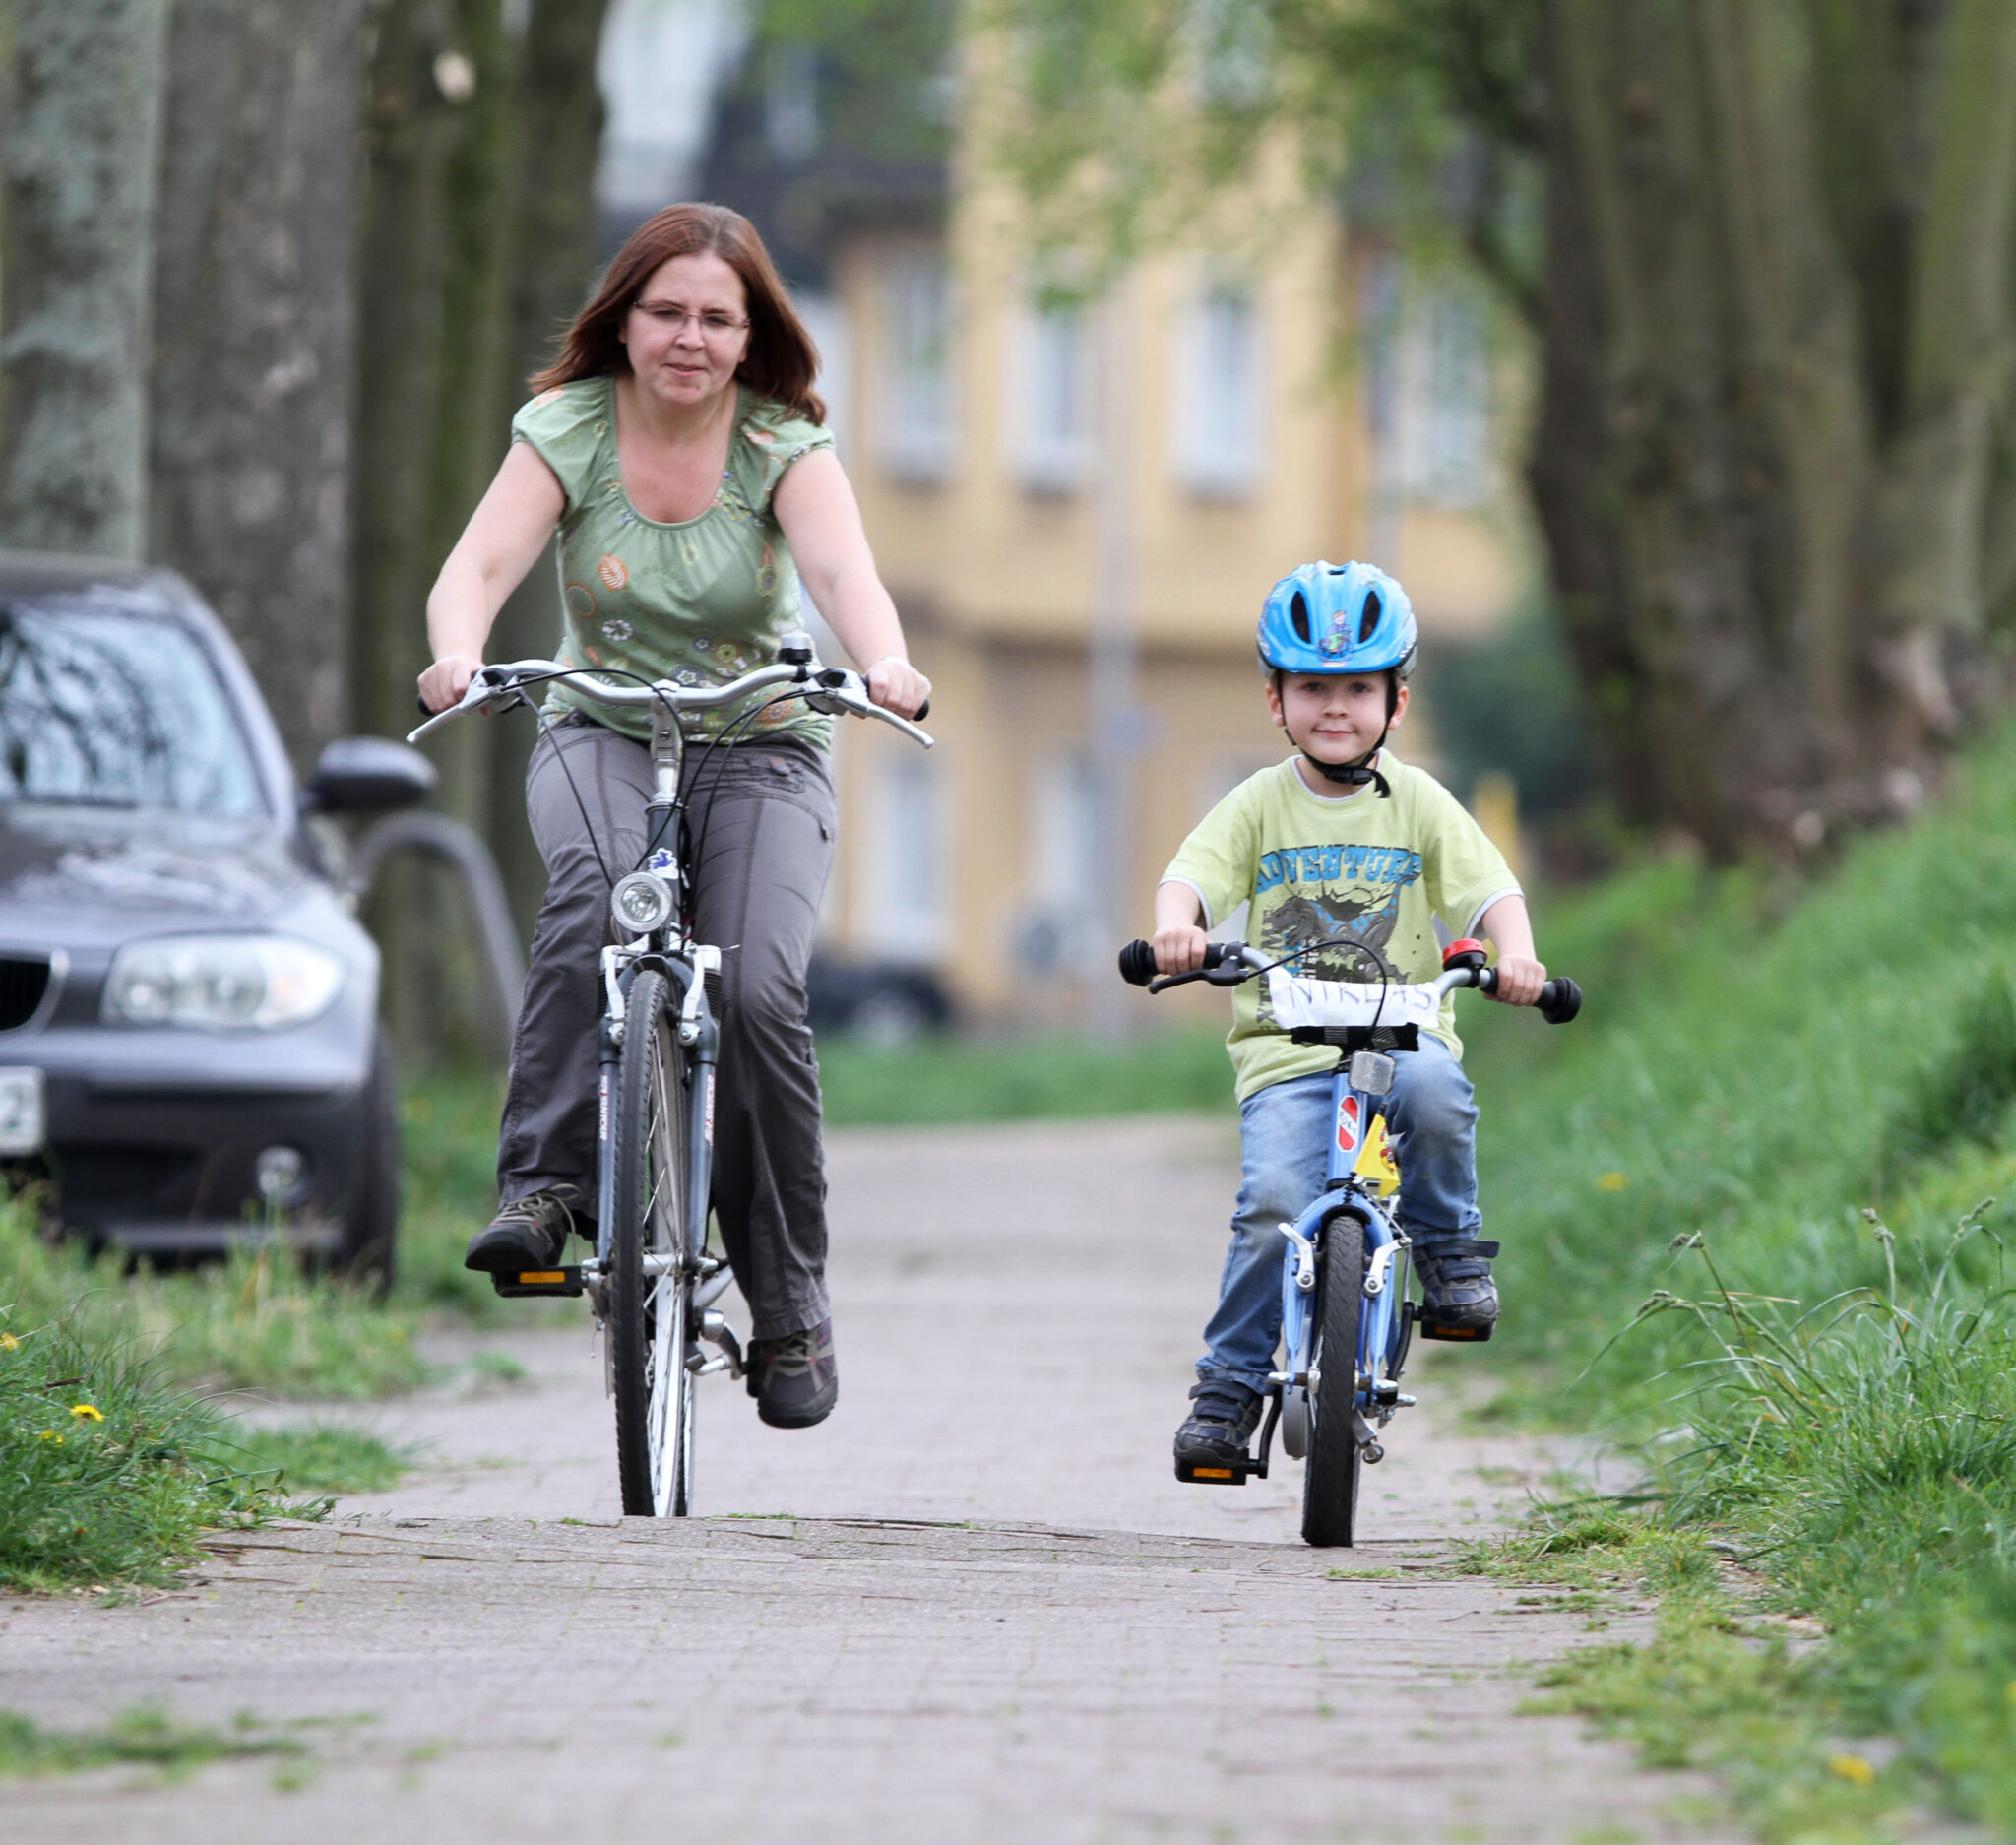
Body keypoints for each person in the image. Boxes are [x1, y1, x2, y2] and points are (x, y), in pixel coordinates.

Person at [418, 202, 929, 1431]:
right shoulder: (567, 430)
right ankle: (542, 1193)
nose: (687, 338)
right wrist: (456, 654)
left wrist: (886, 663)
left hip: (763, 741)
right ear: (624, 320)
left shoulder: (782, 447)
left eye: (715, 317)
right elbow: (478, 567)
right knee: (592, 900)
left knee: (755, 990)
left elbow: (840, 573)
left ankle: (789, 1306)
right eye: (665, 312)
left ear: (751, 336)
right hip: (599, 722)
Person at [1148, 560, 1545, 1475]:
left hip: (1400, 1040)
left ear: (1397, 703)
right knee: (1274, 1208)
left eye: (1359, 689)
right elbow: (1192, 877)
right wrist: (1178, 932)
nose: (1336, 709)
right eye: (1313, 689)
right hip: (1288, 1058)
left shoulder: (1421, 804)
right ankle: (1228, 1390)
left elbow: (1490, 892)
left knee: (1440, 1095)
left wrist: (1515, 955)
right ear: (1274, 699)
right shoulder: (1257, 804)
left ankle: (1449, 1256)